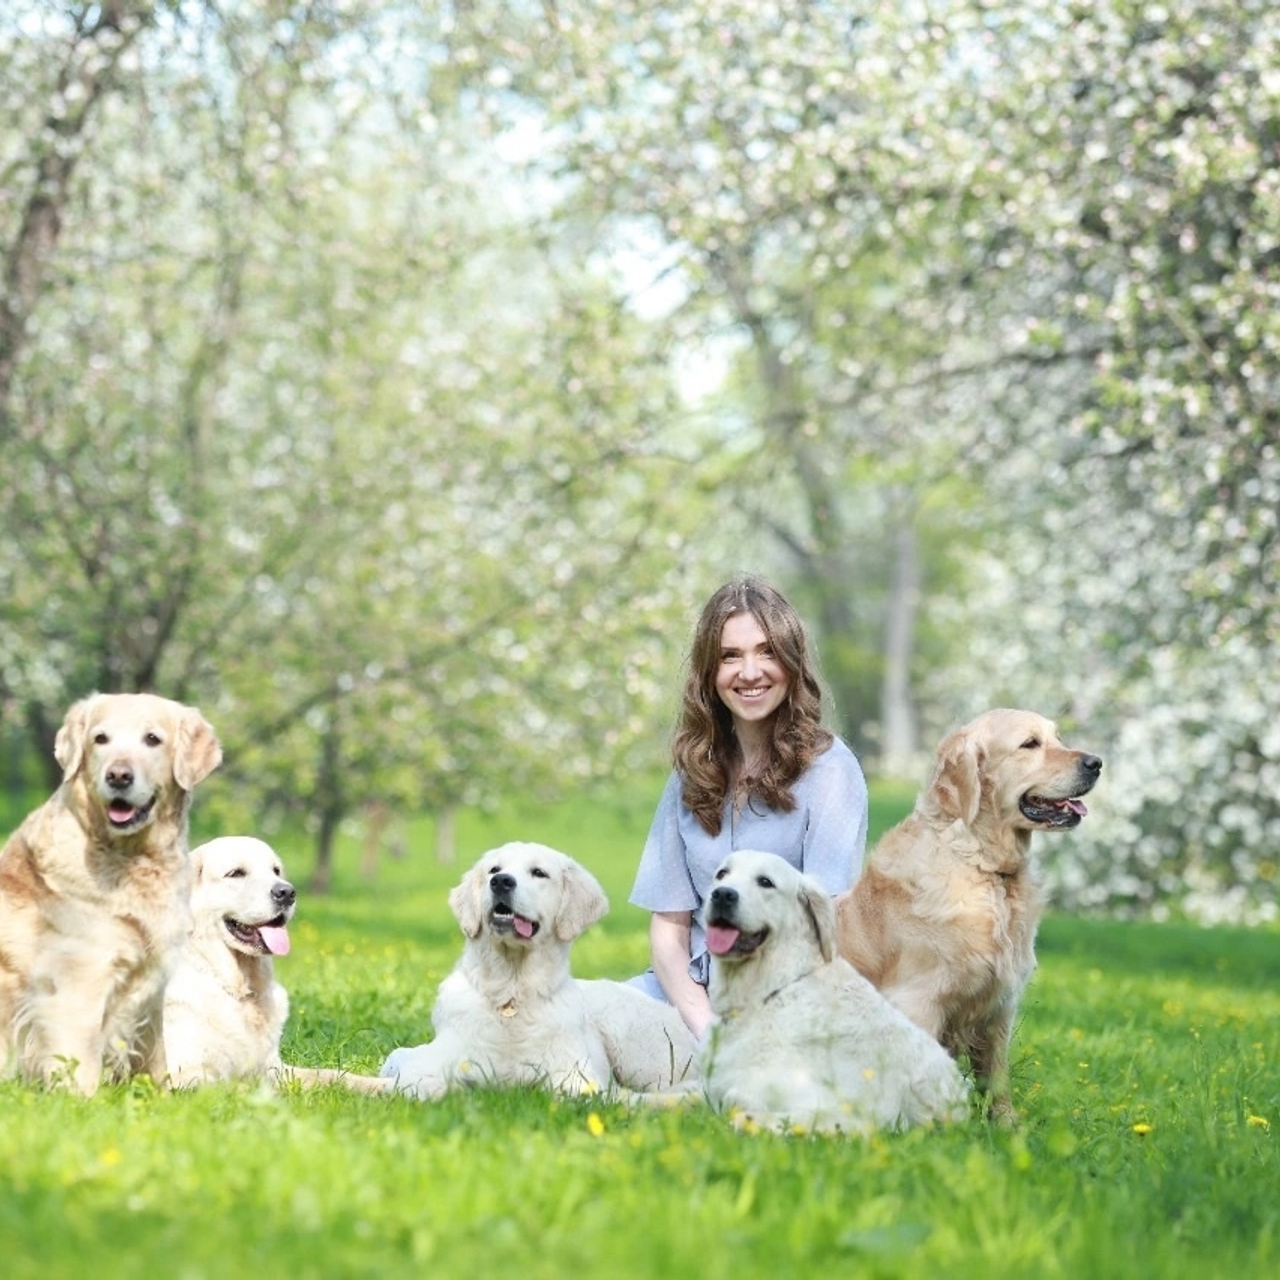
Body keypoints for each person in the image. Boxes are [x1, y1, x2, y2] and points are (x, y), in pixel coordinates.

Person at [629, 576, 869, 1040]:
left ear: (791, 662)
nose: (750, 672)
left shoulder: (831, 771)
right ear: (709, 672)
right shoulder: (691, 772)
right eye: (730, 656)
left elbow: (825, 923)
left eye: (767, 652)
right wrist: (706, 1029)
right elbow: (669, 928)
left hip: (788, 998)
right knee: (586, 1017)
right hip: (689, 997)